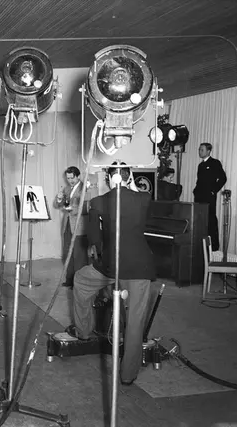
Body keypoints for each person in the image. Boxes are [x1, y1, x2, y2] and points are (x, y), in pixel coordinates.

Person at [65, 162, 156, 385]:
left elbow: (94, 240)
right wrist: (130, 184)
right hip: (139, 267)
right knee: (134, 321)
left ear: (107, 179)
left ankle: (83, 331)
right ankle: (128, 375)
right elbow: (141, 216)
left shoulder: (97, 202)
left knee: (81, 280)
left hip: (110, 267)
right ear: (129, 176)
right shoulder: (144, 199)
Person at [55, 166, 89, 288]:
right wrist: (59, 198)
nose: (70, 181)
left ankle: (79, 282)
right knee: (67, 253)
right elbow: (58, 205)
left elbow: (87, 207)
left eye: (72, 178)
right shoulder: (67, 189)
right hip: (67, 225)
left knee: (79, 256)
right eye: (68, 178)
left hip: (79, 227)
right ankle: (70, 279)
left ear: (78, 176)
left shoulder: (85, 188)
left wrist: (73, 210)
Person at [193, 143, 227, 251]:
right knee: (200, 220)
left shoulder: (215, 163)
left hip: (209, 197)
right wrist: (195, 191)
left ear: (208, 151)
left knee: (210, 219)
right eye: (199, 149)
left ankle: (214, 246)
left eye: (202, 150)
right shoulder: (200, 165)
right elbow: (199, 181)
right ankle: (202, 246)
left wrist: (213, 190)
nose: (200, 151)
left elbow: (223, 178)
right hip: (199, 197)